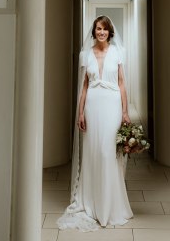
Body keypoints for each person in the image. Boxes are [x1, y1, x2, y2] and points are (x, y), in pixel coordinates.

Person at [57, 15, 133, 231]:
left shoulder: (118, 52)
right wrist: (80, 113)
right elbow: (84, 86)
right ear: (94, 31)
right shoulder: (85, 54)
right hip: (92, 105)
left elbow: (121, 83)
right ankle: (90, 202)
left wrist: (125, 112)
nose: (101, 32)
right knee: (92, 151)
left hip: (112, 105)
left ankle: (110, 205)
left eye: (105, 29)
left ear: (110, 32)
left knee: (108, 152)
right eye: (98, 29)